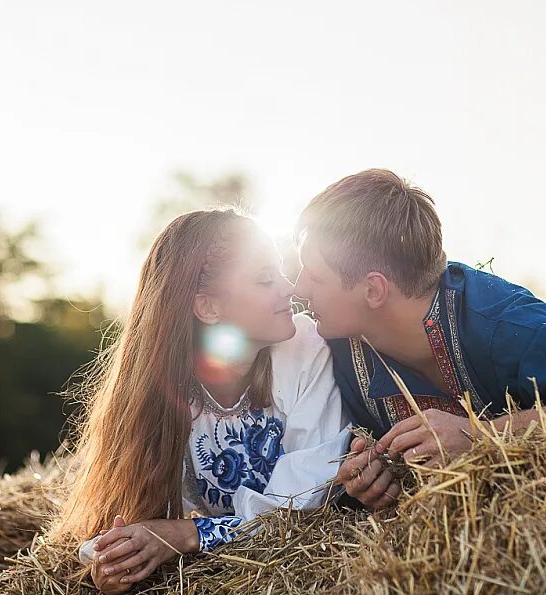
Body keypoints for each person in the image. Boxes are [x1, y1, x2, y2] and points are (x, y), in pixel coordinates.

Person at [292, 168, 546, 511]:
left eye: (315, 274)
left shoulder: (500, 323)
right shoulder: (335, 348)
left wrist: (482, 435)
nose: (299, 287)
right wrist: (367, 481)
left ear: (374, 291)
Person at [49, 208, 350, 593]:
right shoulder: (160, 391)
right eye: (265, 279)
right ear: (208, 307)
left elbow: (303, 502)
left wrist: (185, 534)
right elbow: (127, 526)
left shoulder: (306, 349)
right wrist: (113, 562)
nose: (289, 287)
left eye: (280, 271)